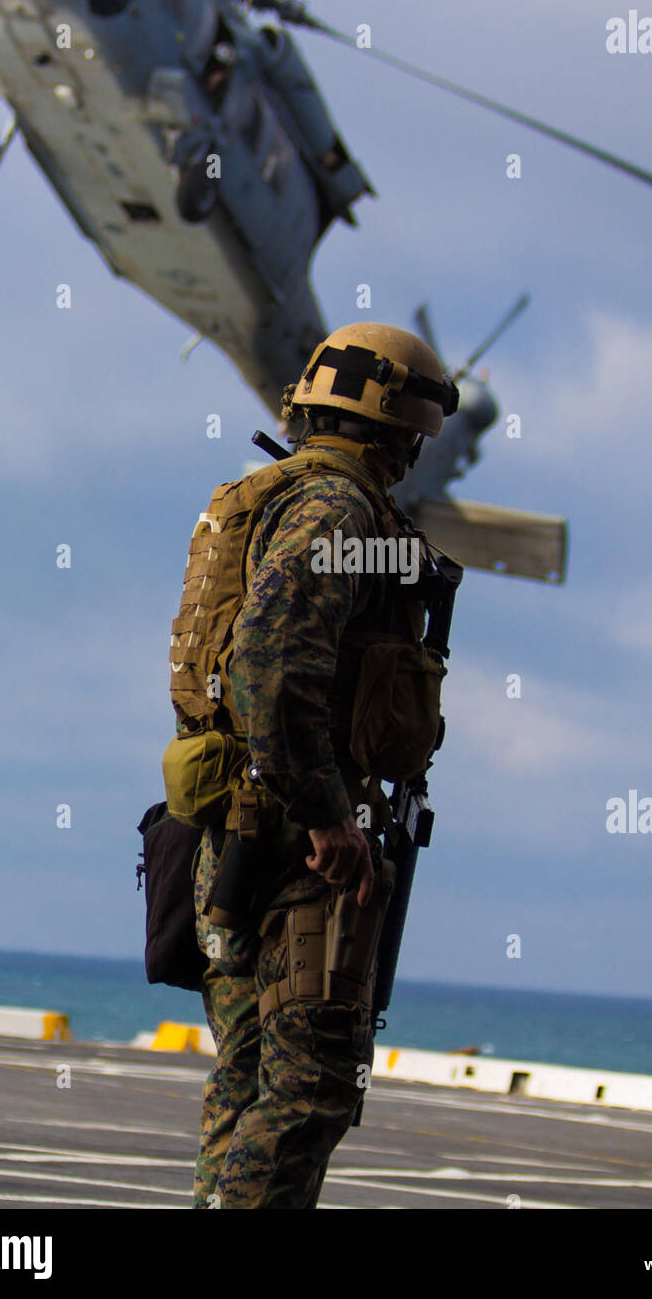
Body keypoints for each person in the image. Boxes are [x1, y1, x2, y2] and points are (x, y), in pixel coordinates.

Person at [168, 322, 459, 1209]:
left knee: (250, 1070)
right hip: (301, 841)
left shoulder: (266, 496)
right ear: (396, 425)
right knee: (313, 1086)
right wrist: (333, 816)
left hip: (237, 829)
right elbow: (267, 659)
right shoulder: (337, 510)